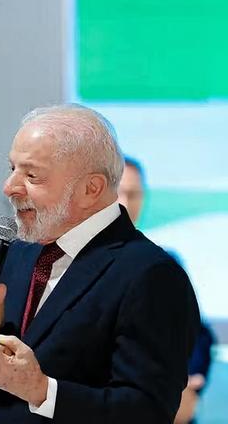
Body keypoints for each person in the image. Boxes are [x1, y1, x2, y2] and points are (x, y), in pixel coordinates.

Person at [0, 104, 201, 422]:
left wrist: (43, 391)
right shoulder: (19, 253)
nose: (9, 187)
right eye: (12, 168)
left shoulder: (151, 275)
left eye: (31, 175)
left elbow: (147, 411)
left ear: (90, 189)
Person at [118, 156, 216, 424]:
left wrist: (189, 386)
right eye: (119, 193)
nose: (126, 203)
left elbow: (199, 333)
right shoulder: (76, 261)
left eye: (134, 194)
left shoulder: (165, 261)